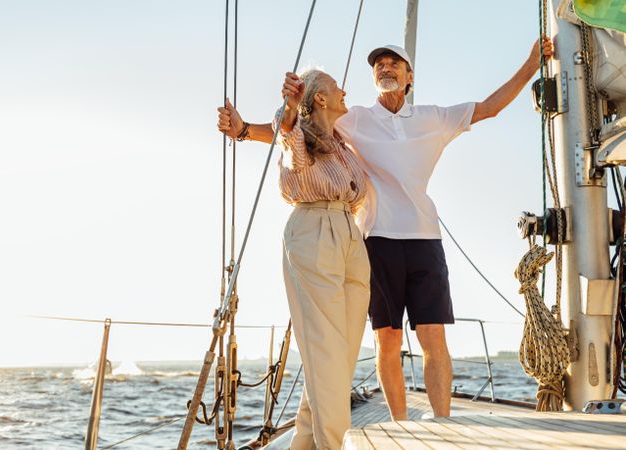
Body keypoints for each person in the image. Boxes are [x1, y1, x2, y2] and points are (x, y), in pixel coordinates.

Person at [218, 37, 553, 423]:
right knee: (387, 340)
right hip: (376, 240)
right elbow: (301, 127)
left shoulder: (434, 118)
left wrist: (532, 63)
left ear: (409, 76)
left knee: (433, 338)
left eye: (395, 63)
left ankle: (442, 424)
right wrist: (243, 130)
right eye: (379, 64)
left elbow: (491, 107)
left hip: (425, 239)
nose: (386, 68)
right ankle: (401, 424)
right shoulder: (355, 118)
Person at [254, 68, 371, 450]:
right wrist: (288, 106)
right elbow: (284, 130)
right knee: (325, 351)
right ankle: (336, 446)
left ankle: (302, 444)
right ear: (319, 98)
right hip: (314, 229)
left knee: (341, 355)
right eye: (337, 88)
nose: (344, 92)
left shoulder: (340, 143)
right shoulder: (299, 134)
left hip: (350, 235)